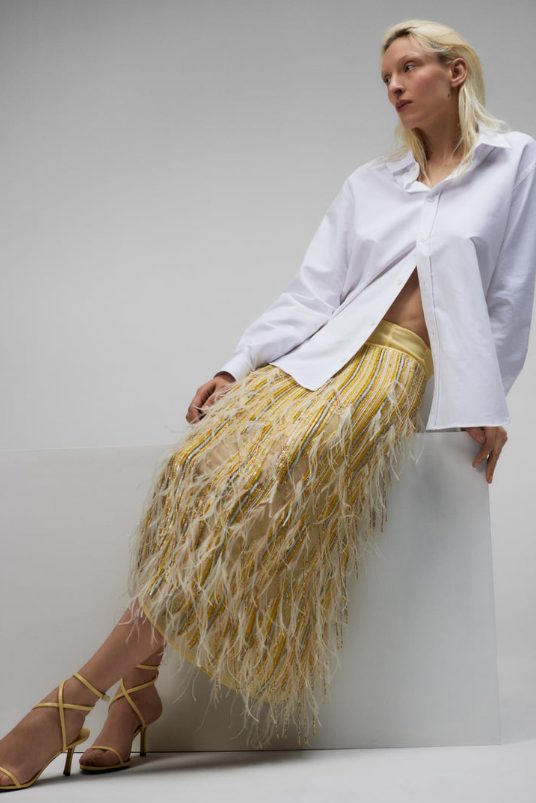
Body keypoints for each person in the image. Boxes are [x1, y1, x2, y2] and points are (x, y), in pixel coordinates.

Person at [1, 16, 535, 791]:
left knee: (258, 495)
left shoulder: (513, 162)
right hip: (317, 360)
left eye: (409, 67)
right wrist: (238, 363)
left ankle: (71, 699)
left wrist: (487, 400)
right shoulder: (370, 185)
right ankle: (136, 692)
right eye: (385, 76)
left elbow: (511, 295)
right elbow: (313, 292)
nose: (393, 85)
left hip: (389, 378)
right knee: (192, 470)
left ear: (456, 72)